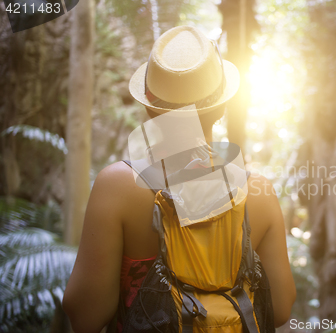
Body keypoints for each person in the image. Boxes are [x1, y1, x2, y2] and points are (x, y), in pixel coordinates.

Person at [62, 25, 296, 333]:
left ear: (148, 106)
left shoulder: (118, 187)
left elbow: (85, 315)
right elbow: (279, 309)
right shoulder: (259, 193)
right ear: (222, 106)